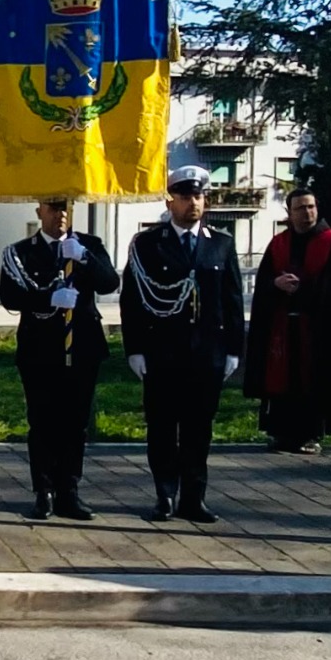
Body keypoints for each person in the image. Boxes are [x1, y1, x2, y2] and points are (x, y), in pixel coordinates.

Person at [120, 163, 245, 523]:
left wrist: (234, 350)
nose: (194, 203)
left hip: (206, 354)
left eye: (200, 196)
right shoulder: (148, 244)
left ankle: (194, 496)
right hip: (163, 353)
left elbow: (232, 299)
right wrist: (136, 349)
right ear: (170, 201)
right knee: (161, 428)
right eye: (187, 196)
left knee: (198, 430)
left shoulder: (220, 244)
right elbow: (133, 301)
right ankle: (165, 495)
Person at [0, 198, 120, 520]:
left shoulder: (88, 245)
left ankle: (70, 490)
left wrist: (83, 258)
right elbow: (9, 296)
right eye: (53, 208)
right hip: (40, 350)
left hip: (82, 348)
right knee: (42, 422)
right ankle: (43, 492)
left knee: (75, 424)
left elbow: (110, 283)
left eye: (65, 207)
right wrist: (48, 297)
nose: (61, 214)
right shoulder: (21, 251)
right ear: (40, 212)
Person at [243, 187, 331, 454]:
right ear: (289, 213)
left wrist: (304, 289)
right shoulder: (279, 244)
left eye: (311, 207)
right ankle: (282, 433)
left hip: (319, 330)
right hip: (283, 328)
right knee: (281, 380)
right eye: (300, 208)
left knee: (314, 382)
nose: (307, 213)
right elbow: (263, 285)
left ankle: (311, 434)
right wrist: (276, 284)